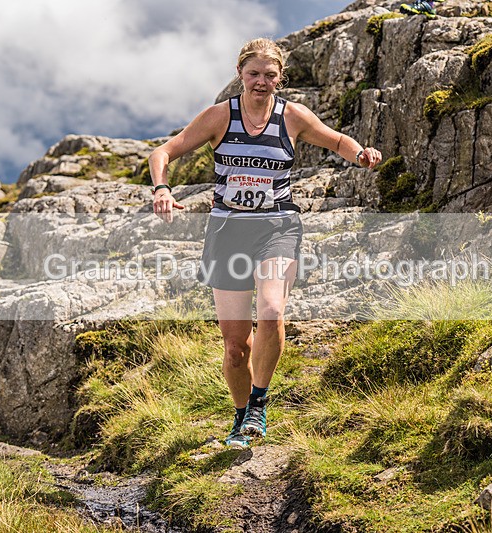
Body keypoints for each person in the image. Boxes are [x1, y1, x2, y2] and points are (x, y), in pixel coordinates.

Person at [148, 38, 382, 448]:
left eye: (269, 75)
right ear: (240, 73)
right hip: (227, 233)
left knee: (272, 312)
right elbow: (163, 152)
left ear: (280, 78)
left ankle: (259, 404)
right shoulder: (220, 117)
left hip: (277, 228)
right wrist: (162, 190)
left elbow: (336, 140)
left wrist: (360, 153)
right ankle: (240, 418)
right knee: (236, 346)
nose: (261, 82)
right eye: (253, 74)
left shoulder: (293, 116)